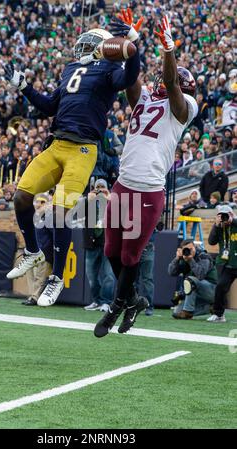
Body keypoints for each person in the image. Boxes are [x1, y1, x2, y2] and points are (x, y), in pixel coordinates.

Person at [3, 9, 143, 307]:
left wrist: (133, 46)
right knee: (20, 197)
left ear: (104, 47)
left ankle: (55, 278)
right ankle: (32, 251)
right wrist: (24, 86)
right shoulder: (70, 69)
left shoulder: (109, 70)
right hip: (56, 146)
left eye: (90, 42)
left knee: (58, 210)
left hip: (82, 150)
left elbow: (130, 76)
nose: (82, 46)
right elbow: (49, 106)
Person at [94, 12, 198, 338]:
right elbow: (130, 78)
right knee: (111, 251)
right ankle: (134, 299)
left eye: (170, 82)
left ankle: (116, 307)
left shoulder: (183, 107)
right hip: (123, 183)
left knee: (129, 255)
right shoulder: (144, 96)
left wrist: (169, 49)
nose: (161, 84)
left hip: (149, 189)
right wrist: (131, 43)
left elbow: (170, 83)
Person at [83, 179, 115, 312]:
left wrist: (110, 199)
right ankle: (97, 300)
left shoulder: (112, 201)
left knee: (109, 274)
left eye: (103, 187)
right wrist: (87, 200)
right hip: (92, 242)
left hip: (107, 242)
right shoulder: (89, 201)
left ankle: (107, 302)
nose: (100, 189)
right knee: (91, 276)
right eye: (98, 187)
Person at [168, 239, 217, 319]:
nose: (189, 251)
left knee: (190, 280)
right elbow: (171, 272)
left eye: (191, 249)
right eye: (186, 250)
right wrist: (176, 259)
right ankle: (211, 307)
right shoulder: (183, 258)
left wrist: (191, 260)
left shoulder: (204, 256)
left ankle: (187, 312)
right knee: (177, 312)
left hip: (211, 290)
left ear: (195, 247)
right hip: (196, 294)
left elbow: (200, 275)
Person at [207, 205, 237, 322]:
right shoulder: (219, 227)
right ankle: (219, 315)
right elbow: (211, 241)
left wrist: (232, 220)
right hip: (226, 264)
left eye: (226, 215)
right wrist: (216, 225)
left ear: (231, 214)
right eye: (221, 215)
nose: (224, 218)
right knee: (220, 287)